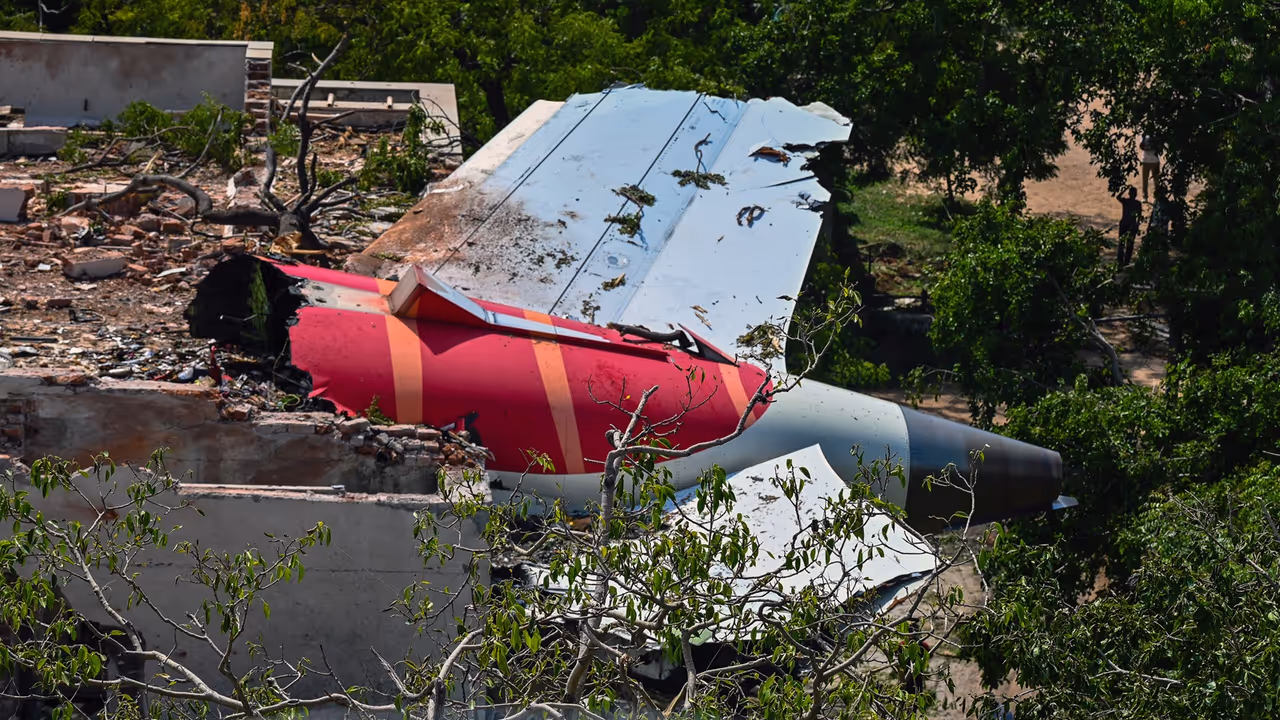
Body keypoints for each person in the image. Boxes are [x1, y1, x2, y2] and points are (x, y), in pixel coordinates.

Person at [1117, 186, 1143, 266]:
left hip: (1125, 224)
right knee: (1129, 244)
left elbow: (1118, 197)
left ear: (1129, 194)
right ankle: (1126, 261)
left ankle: (1121, 261)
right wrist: (1137, 225)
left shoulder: (1126, 201)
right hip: (1131, 225)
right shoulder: (1137, 203)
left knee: (1122, 244)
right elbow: (1139, 216)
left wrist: (1125, 189)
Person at [1140, 134, 1161, 199]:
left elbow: (1159, 147)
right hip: (1146, 161)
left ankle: (1157, 196)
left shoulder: (1156, 136)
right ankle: (1145, 196)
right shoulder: (1144, 136)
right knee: (1145, 180)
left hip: (1155, 161)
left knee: (1156, 180)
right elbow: (1141, 146)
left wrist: (1149, 147)